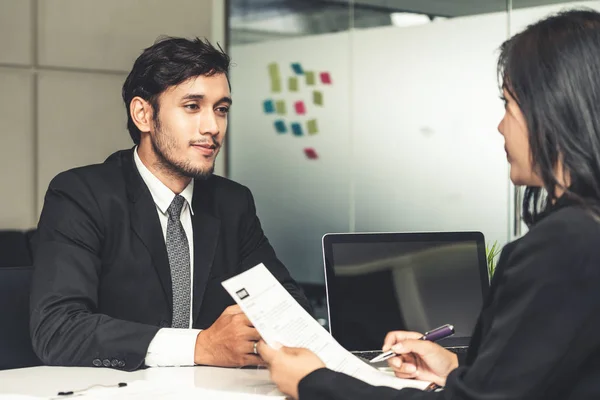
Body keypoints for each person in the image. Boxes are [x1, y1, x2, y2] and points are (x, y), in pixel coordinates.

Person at [257, 8, 600, 400]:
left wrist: (313, 382)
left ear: (552, 109)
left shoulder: (565, 244)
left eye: (508, 104)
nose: (501, 126)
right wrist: (456, 369)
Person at [29, 37, 310, 371]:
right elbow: (58, 330)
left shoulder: (232, 203)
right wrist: (199, 346)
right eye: (192, 106)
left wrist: (265, 325)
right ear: (143, 115)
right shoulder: (81, 195)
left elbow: (289, 307)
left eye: (221, 109)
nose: (213, 127)